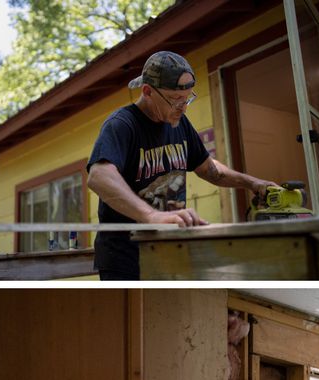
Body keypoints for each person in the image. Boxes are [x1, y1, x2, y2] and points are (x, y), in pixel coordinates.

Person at [87, 50, 278, 280]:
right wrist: (151, 216)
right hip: (125, 259)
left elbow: (210, 169)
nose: (183, 107)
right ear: (147, 91)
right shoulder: (122, 125)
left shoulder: (179, 123)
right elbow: (99, 176)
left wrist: (253, 183)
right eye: (176, 99)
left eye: (188, 98)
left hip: (169, 252)